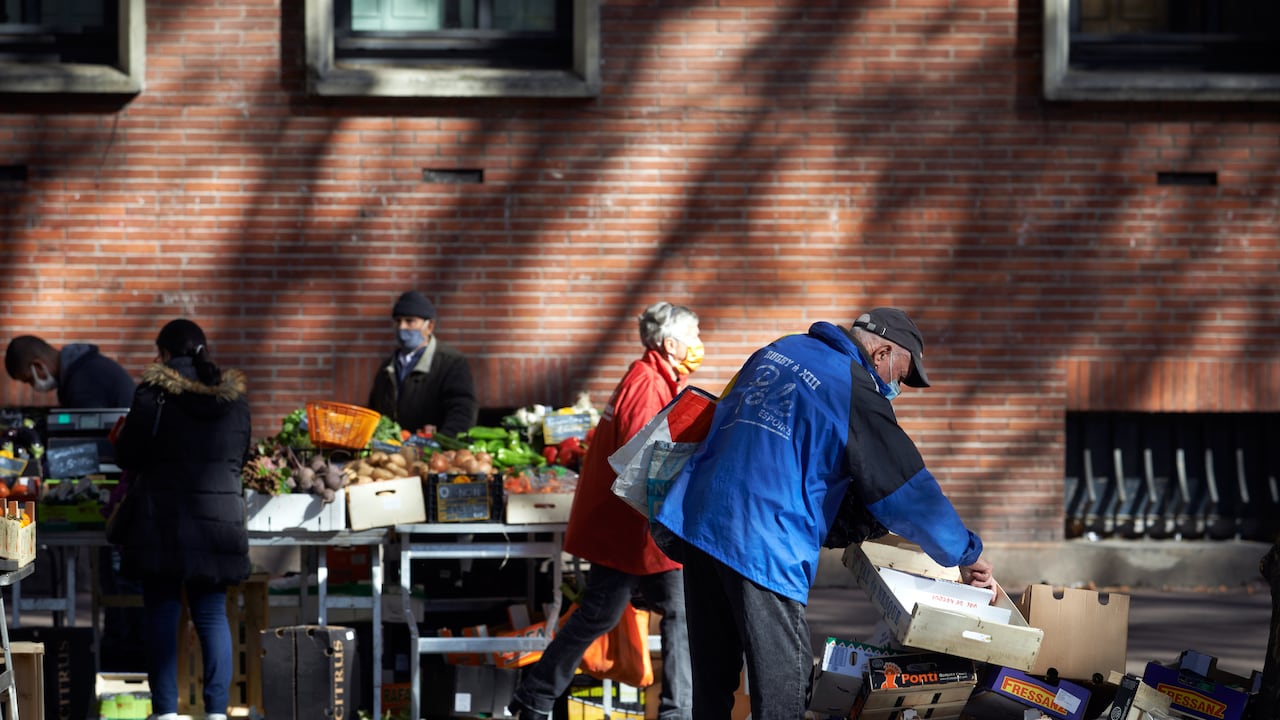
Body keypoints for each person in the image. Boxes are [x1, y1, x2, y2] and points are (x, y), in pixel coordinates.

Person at [653, 308, 997, 720]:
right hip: (763, 540)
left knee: (712, 688)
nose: (895, 389)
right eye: (899, 377)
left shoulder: (779, 350)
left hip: (701, 521)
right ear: (882, 352)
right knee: (785, 689)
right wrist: (967, 553)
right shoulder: (852, 386)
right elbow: (908, 493)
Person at [510, 301, 704, 720]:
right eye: (695, 337)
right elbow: (647, 461)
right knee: (676, 614)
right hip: (634, 529)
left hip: (623, 525)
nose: (699, 345)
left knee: (606, 612)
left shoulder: (646, 377)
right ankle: (676, 712)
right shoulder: (649, 384)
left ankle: (536, 695)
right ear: (671, 344)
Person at [112, 318, 252, 720]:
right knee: (211, 614)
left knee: (162, 611)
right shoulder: (234, 400)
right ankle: (216, 712)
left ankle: (166, 712)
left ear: (165, 354)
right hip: (219, 524)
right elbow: (241, 457)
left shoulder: (153, 395)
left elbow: (130, 455)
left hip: (163, 522)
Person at [367, 290, 478, 437]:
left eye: (410, 321)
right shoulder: (388, 368)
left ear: (429, 326)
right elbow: (374, 413)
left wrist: (442, 444)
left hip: (432, 452)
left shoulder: (451, 363)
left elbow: (462, 412)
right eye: (398, 321)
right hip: (393, 451)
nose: (402, 327)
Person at [5, 334, 135, 407]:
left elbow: (86, 438)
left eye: (29, 379)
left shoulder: (83, 381)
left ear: (38, 365)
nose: (33, 386)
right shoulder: (81, 369)